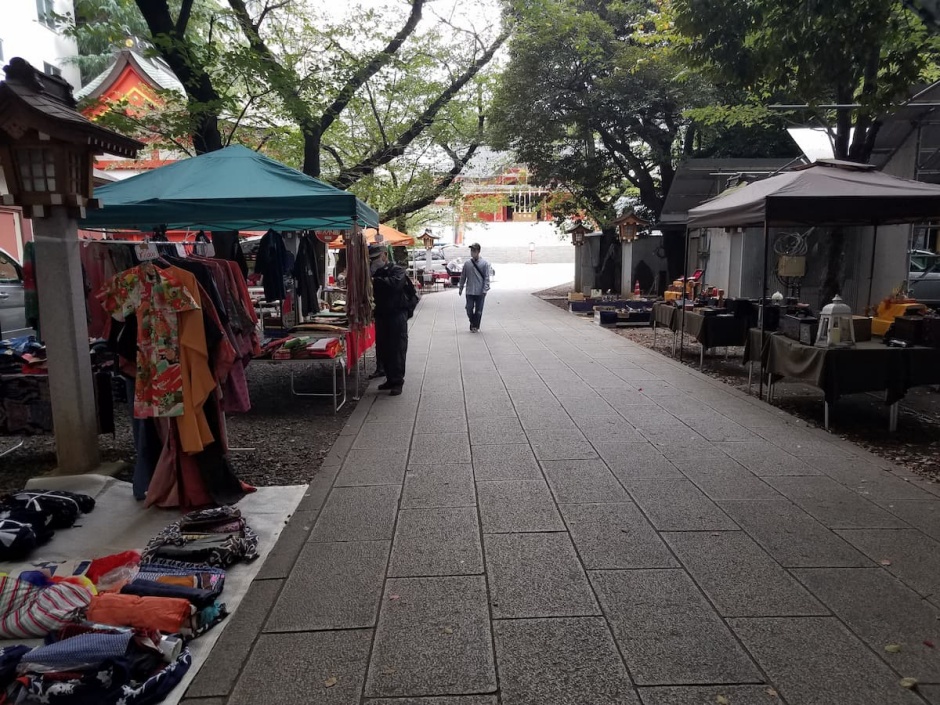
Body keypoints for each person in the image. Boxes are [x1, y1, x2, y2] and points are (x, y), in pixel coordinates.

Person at [370, 244, 418, 395]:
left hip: (397, 314)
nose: (374, 261)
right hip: (382, 314)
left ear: (384, 255)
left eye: (376, 258)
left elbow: (394, 284)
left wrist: (374, 280)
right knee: (384, 347)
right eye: (371, 259)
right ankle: (390, 378)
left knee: (397, 347)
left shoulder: (397, 270)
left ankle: (398, 381)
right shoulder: (375, 272)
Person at [458, 243, 491, 332]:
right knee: (469, 308)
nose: (472, 253)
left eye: (474, 251)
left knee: (479, 311)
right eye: (471, 251)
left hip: (480, 291)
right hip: (469, 291)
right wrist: (460, 287)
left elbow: (487, 278)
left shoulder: (484, 264)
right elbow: (463, 276)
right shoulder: (467, 264)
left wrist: (485, 289)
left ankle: (475, 326)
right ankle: (473, 322)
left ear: (478, 251)